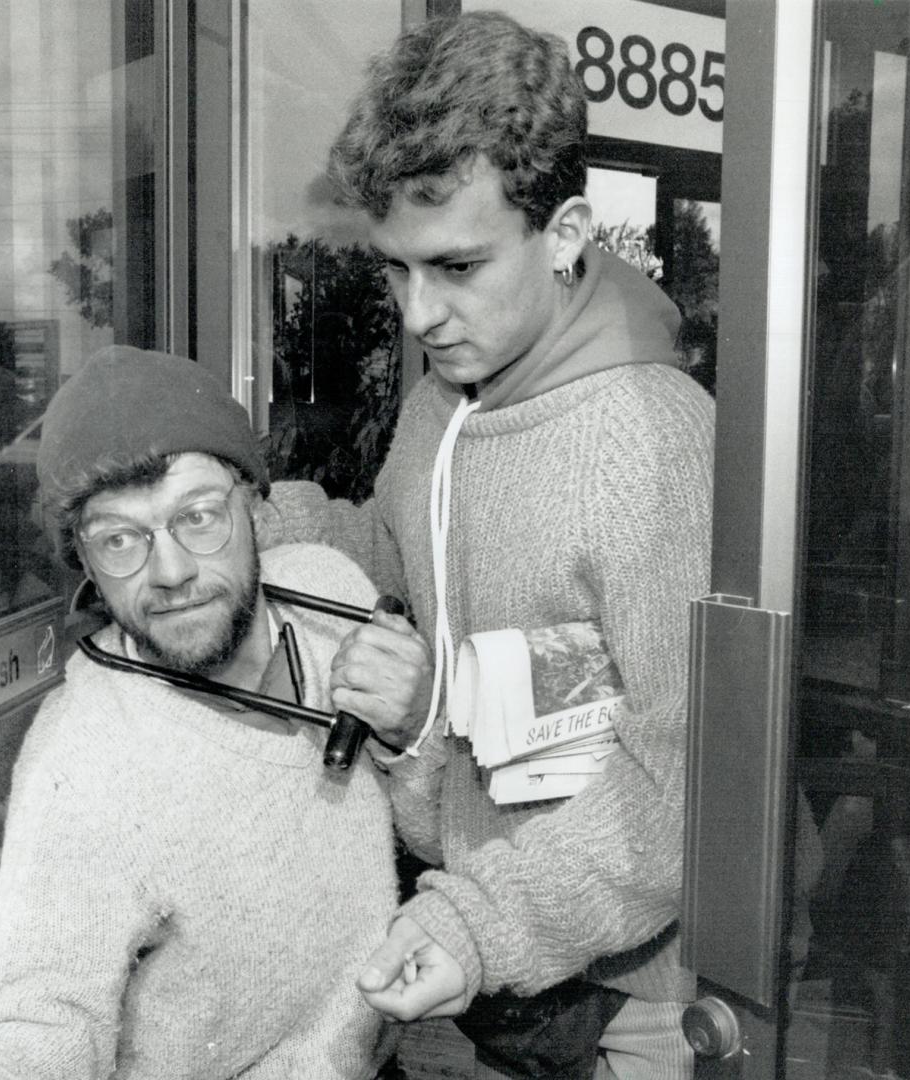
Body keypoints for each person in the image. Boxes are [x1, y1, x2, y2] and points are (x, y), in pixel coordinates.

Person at [258, 11, 714, 1078]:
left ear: (561, 234)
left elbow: (676, 787)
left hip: (625, 1001)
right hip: (484, 947)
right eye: (396, 270)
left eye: (457, 266)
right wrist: (234, 523)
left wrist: (475, 923)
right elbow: (388, 542)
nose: (420, 312)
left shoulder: (651, 446)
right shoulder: (448, 397)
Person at [0, 345, 404, 1080]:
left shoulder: (328, 595)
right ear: (85, 566)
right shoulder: (87, 759)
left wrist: (412, 729)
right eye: (119, 538)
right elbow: (46, 1009)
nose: (170, 571)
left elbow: (431, 815)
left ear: (257, 507)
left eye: (197, 516)